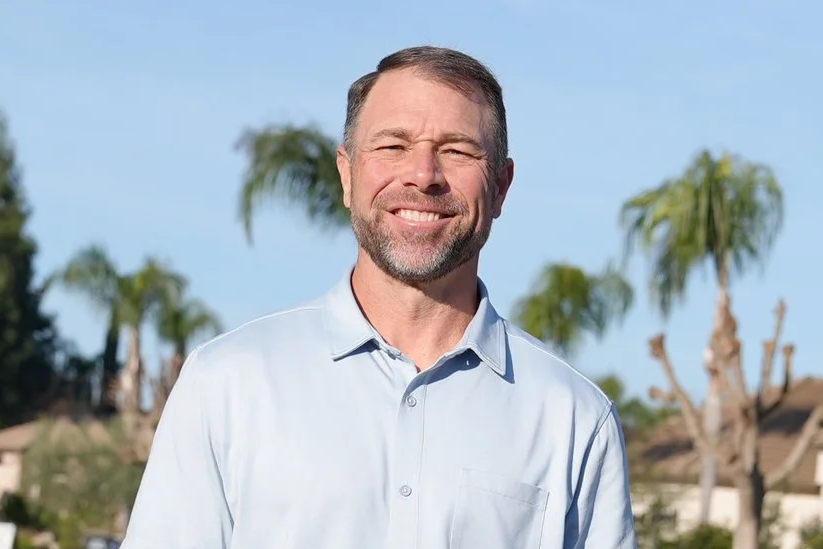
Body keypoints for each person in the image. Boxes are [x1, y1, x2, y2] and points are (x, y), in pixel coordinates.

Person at [120, 45, 637, 549]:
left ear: (501, 187)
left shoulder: (575, 418)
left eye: (457, 150)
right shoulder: (227, 382)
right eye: (393, 146)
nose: (422, 175)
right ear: (347, 174)